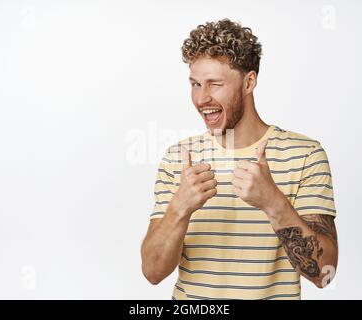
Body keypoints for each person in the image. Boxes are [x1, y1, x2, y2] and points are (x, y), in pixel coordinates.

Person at [140, 18, 338, 300]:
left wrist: (272, 202)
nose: (201, 98)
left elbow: (323, 273)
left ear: (249, 82)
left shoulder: (305, 154)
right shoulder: (180, 159)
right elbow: (152, 272)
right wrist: (179, 208)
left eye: (214, 84)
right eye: (195, 84)